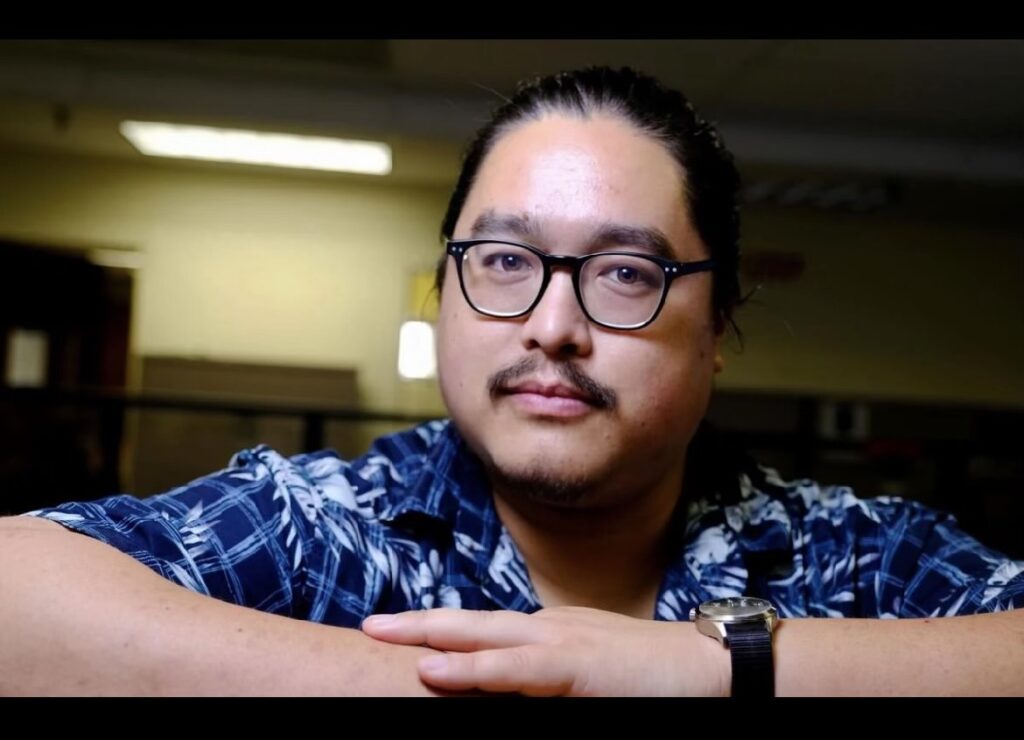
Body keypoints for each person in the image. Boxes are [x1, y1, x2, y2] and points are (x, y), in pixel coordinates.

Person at [0, 66, 1020, 697]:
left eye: (626, 273)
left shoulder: (841, 557)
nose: (551, 324)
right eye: (502, 260)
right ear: (445, 288)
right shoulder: (326, 533)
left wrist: (705, 670)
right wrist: (502, 685)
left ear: (719, 328)